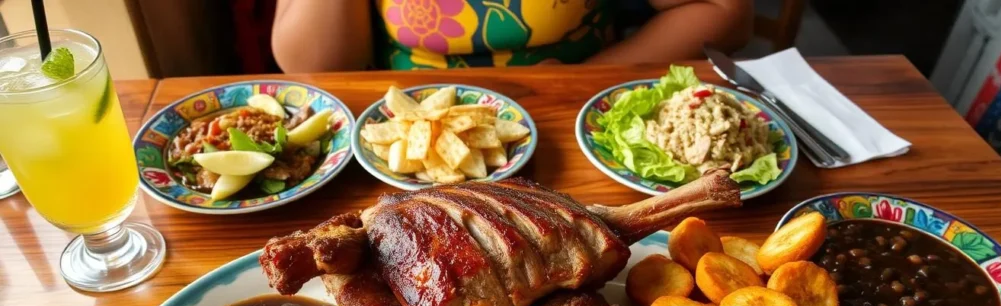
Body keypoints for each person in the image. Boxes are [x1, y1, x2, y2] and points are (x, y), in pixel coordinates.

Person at [272, 0, 753, 72]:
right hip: (395, 156)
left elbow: (726, 13)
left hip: (576, 128)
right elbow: (314, 69)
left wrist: (577, 81)